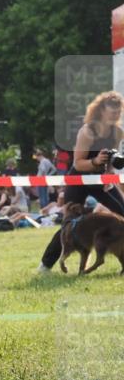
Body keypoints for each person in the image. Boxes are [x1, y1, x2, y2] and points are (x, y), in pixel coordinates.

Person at [39, 91, 124, 271]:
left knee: (122, 212)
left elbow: (112, 158)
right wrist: (95, 161)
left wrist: (109, 174)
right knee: (68, 225)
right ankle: (45, 265)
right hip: (79, 178)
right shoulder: (86, 132)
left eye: (118, 112)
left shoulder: (118, 133)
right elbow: (78, 163)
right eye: (112, 112)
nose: (116, 115)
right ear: (101, 111)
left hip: (100, 179)